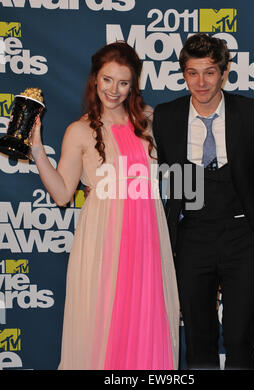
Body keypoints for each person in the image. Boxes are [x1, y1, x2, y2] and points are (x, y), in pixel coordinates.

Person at [29, 41, 179, 370]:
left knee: (147, 323)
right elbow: (62, 194)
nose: (114, 90)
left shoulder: (151, 121)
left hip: (147, 242)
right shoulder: (79, 131)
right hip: (103, 244)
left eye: (123, 82)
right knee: (100, 325)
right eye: (107, 80)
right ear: (95, 79)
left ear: (133, 84)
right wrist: (38, 150)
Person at [152, 33, 254, 370]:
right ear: (183, 74)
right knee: (198, 337)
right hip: (191, 235)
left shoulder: (251, 112)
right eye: (192, 73)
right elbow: (148, 168)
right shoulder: (166, 116)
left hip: (244, 235)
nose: (201, 82)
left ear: (224, 72)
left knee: (240, 338)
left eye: (209, 72)